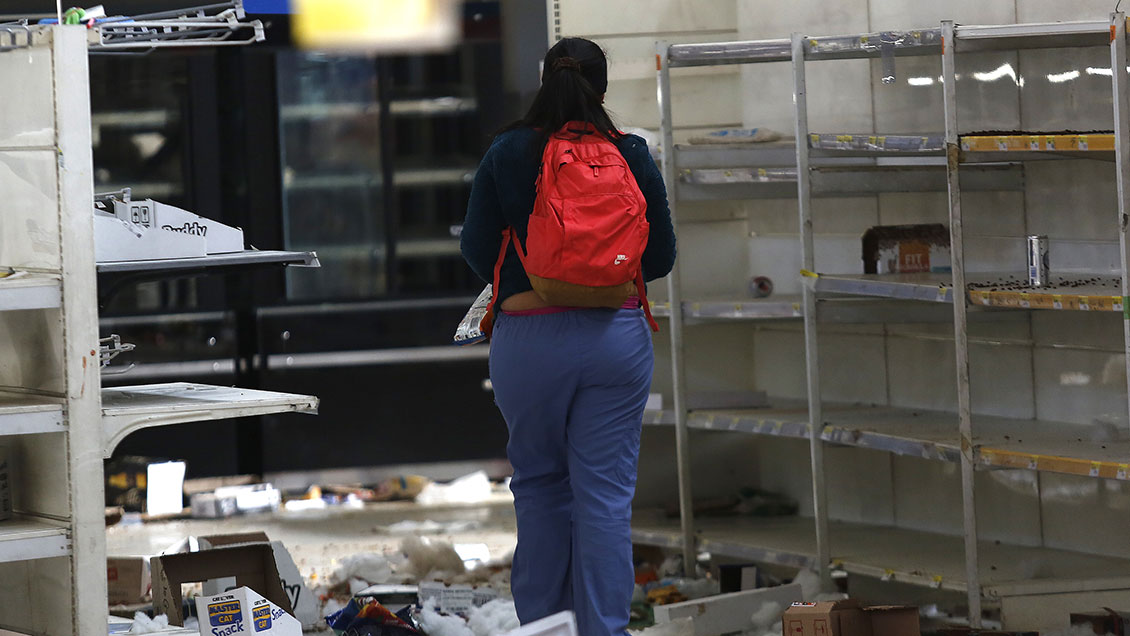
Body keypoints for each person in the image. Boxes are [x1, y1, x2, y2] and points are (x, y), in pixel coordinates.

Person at [459, 36, 676, 636]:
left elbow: (477, 248)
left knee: (539, 487)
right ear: (602, 88)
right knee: (604, 499)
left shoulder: (506, 151)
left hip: (529, 341)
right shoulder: (630, 152)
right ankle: (603, 630)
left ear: (542, 81)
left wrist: (537, 276)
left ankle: (547, 629)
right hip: (616, 338)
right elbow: (658, 257)